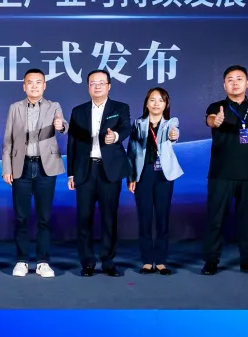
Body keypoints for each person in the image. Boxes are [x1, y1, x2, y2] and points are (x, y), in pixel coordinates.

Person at [202, 66, 248, 276]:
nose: (235, 83)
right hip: (220, 174)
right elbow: (210, 119)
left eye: (239, 79)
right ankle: (211, 262)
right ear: (224, 85)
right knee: (215, 220)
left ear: (247, 83)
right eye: (230, 80)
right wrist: (216, 120)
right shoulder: (217, 107)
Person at [1, 68, 67, 278]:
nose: (34, 86)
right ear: (24, 86)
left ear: (44, 85)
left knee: (44, 218)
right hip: (21, 166)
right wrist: (6, 168)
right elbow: (8, 141)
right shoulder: (15, 108)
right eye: (30, 82)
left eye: (39, 82)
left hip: (45, 167)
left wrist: (61, 126)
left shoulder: (53, 106)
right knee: (21, 217)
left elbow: (63, 125)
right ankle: (21, 260)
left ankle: (42, 262)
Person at [67, 69, 132, 277]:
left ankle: (108, 261)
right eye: (93, 83)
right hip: (85, 170)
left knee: (109, 218)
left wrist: (116, 137)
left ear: (109, 86)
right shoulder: (78, 111)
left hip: (109, 171)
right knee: (84, 218)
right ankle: (87, 262)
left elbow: (126, 127)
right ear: (88, 87)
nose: (97, 86)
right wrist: (71, 174)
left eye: (101, 83)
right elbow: (72, 143)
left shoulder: (120, 108)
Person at [127, 87, 182, 275]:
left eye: (160, 100)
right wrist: (131, 176)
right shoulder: (138, 123)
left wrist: (174, 135)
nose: (156, 103)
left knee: (162, 217)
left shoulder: (171, 122)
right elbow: (132, 150)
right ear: (146, 103)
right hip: (143, 174)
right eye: (152, 100)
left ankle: (161, 261)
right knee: (144, 218)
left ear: (166, 104)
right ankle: (146, 261)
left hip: (163, 175)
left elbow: (174, 133)